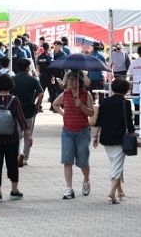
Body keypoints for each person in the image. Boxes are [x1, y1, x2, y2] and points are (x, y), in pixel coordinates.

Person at [0, 74, 31, 203]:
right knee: (12, 164)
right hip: (11, 138)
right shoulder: (14, 100)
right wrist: (28, 134)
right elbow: (21, 118)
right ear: (11, 85)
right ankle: (14, 190)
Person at [94, 77, 141, 204]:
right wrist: (135, 138)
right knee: (117, 166)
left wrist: (95, 136)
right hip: (120, 139)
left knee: (115, 163)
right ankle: (111, 192)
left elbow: (99, 120)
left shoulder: (104, 102)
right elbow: (130, 125)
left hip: (106, 138)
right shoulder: (125, 103)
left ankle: (119, 191)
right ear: (126, 90)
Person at [52, 71, 94, 200]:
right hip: (67, 132)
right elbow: (55, 104)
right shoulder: (65, 94)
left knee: (82, 161)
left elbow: (91, 113)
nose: (71, 82)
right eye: (69, 79)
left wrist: (80, 105)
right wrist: (63, 113)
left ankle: (86, 179)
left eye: (74, 79)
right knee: (67, 160)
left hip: (82, 131)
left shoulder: (86, 95)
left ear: (79, 82)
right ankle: (69, 188)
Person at [12, 59, 44, 167]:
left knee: (17, 134)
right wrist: (37, 105)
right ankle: (25, 158)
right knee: (28, 133)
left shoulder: (13, 79)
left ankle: (17, 153)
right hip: (29, 109)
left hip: (16, 108)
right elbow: (41, 93)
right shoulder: (33, 80)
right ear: (27, 68)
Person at [127, 45, 141, 126]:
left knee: (137, 109)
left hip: (136, 90)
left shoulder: (133, 63)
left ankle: (137, 125)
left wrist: (131, 88)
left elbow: (131, 77)